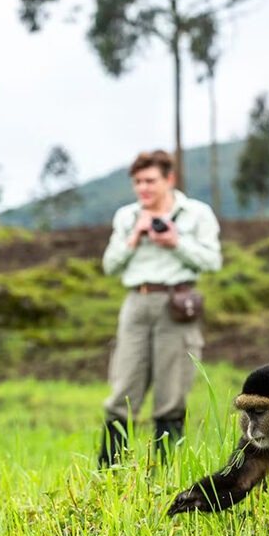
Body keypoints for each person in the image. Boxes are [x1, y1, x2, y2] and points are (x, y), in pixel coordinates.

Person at [99, 150, 222, 466]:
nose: (143, 188)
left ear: (169, 179)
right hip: (136, 303)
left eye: (150, 181)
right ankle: (108, 473)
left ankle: (166, 473)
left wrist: (175, 242)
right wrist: (134, 236)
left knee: (172, 391)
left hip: (177, 304)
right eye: (138, 182)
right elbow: (109, 265)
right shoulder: (126, 216)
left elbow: (213, 261)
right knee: (123, 387)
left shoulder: (196, 214)